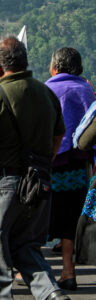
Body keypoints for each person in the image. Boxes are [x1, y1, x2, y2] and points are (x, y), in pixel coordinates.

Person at [0, 36, 70, 300]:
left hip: (0, 186)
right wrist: (43, 163)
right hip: (38, 183)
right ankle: (51, 293)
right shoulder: (45, 93)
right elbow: (59, 134)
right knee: (28, 248)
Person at [44, 47, 95, 292]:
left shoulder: (47, 89)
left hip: (50, 164)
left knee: (39, 216)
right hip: (79, 167)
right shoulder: (86, 90)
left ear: (55, 67)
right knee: (71, 219)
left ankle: (29, 271)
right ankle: (68, 272)